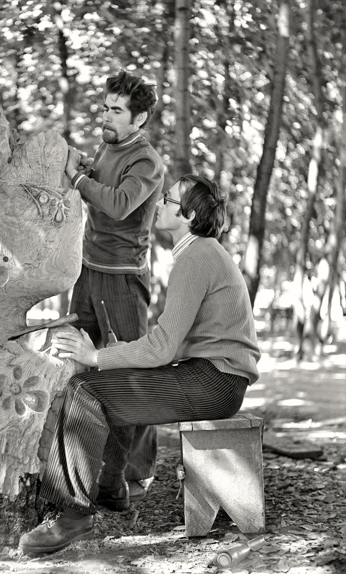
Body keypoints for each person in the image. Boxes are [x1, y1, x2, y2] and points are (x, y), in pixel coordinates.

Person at [19, 175, 261, 557]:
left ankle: (72, 517)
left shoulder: (197, 257)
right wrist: (123, 355)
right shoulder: (200, 253)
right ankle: (105, 489)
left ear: (190, 214)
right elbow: (174, 338)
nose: (160, 204)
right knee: (102, 384)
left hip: (214, 382)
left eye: (168, 200)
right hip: (212, 376)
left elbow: (164, 346)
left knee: (86, 390)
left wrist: (95, 356)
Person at [62, 69, 167, 507]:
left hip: (123, 279)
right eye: (105, 107)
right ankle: (72, 470)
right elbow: (103, 182)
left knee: (129, 377)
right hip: (89, 272)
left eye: (117, 110)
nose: (106, 115)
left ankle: (120, 479)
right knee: (74, 366)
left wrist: (79, 180)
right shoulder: (109, 146)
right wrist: (86, 167)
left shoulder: (147, 161)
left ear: (139, 119)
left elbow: (121, 205)